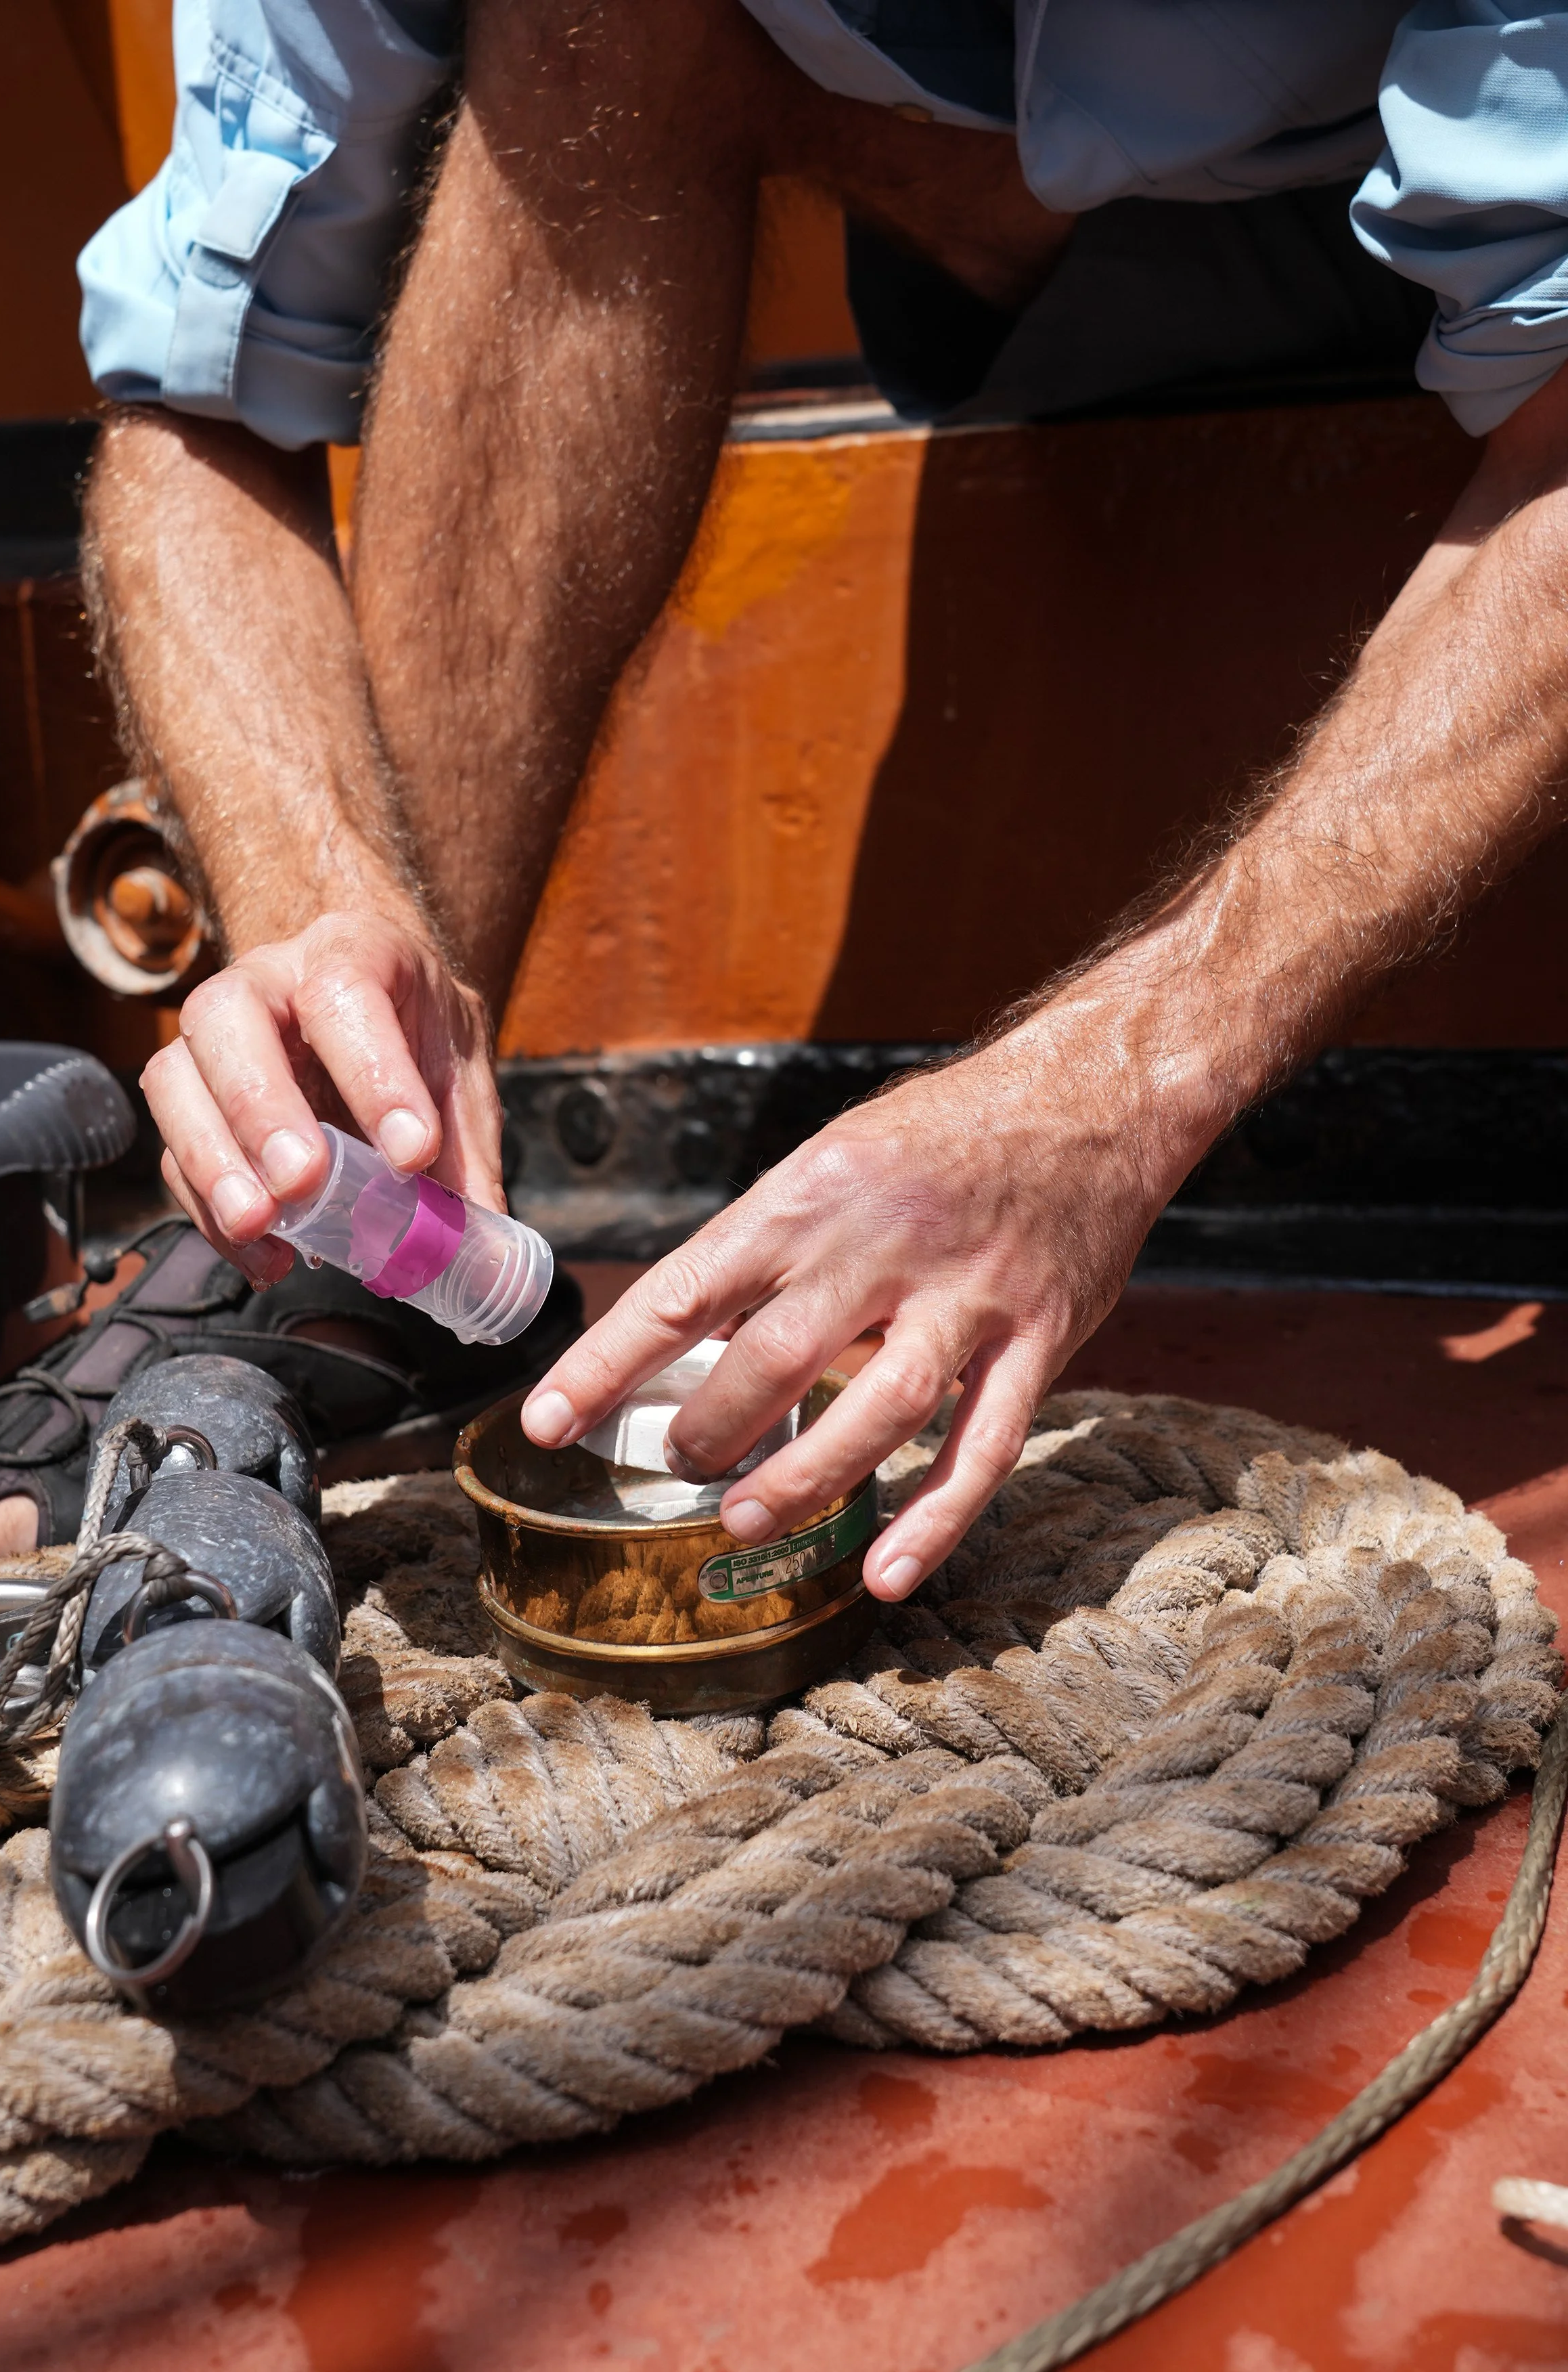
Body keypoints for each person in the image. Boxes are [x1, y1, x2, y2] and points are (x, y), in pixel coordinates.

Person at [77, 0, 1568, 1604]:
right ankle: (391, 1217)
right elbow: (192, 405)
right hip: (1002, 199)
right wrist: (327, 914)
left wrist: (1099, 1097)